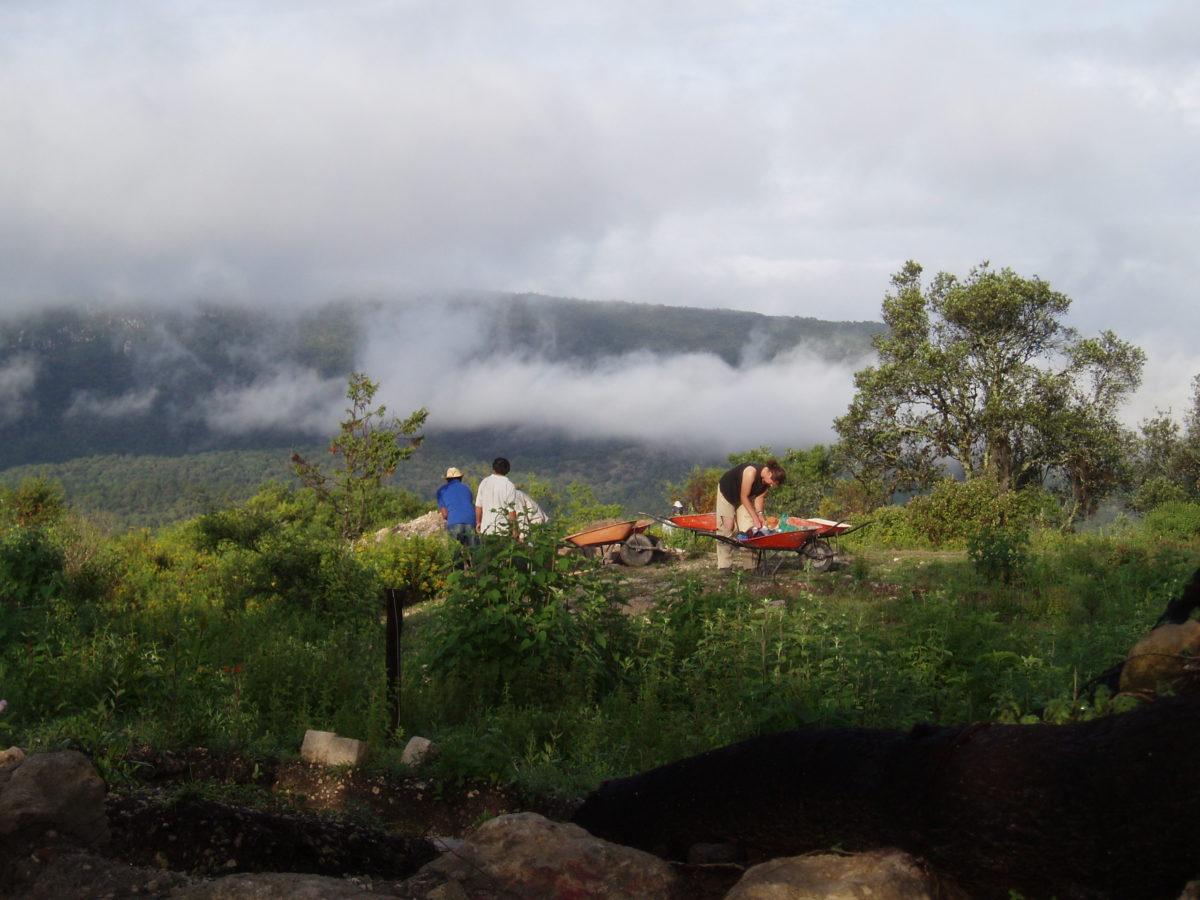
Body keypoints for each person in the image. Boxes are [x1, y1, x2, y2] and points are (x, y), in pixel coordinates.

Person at [714, 459, 787, 573]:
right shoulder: (751, 472)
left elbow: (759, 498)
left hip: (744, 498)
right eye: (772, 482)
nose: (772, 486)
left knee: (749, 529)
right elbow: (744, 496)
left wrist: (760, 515)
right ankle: (725, 566)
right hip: (728, 493)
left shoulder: (766, 482)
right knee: (727, 528)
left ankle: (750, 566)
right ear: (769, 473)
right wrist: (754, 517)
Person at [437, 466, 478, 555]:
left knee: (455, 554)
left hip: (454, 522)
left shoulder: (441, 491)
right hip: (470, 521)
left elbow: (444, 515)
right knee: (476, 554)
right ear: (461, 478)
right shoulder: (467, 489)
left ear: (447, 479)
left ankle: (459, 568)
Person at [475, 457, 518, 536]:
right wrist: (514, 530)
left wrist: (478, 522)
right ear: (507, 470)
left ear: (493, 468)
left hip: (486, 529)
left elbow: (478, 506)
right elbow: (511, 510)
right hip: (503, 530)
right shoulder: (509, 485)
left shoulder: (484, 482)